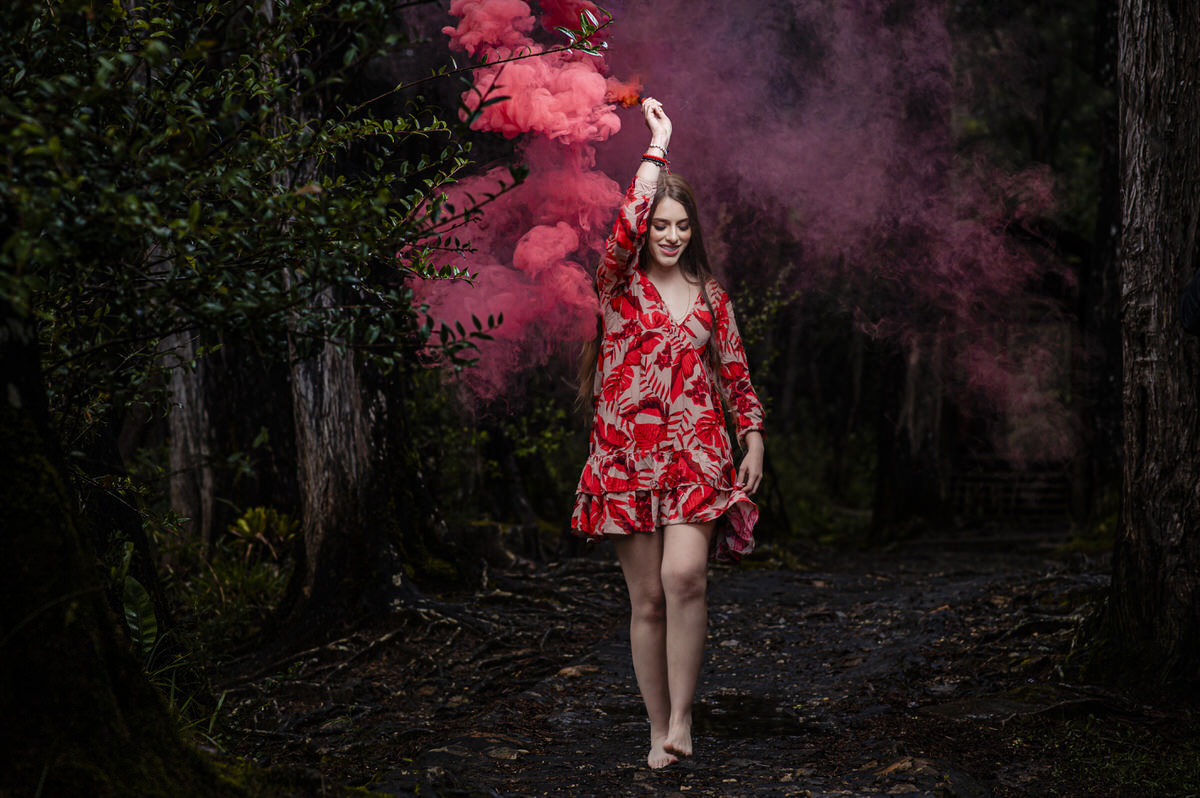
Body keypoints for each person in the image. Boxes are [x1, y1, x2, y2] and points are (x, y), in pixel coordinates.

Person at [571, 97, 766, 769]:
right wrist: (658, 146)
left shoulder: (712, 295)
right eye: (662, 224)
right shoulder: (615, 284)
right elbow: (623, 227)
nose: (671, 235)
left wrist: (755, 438)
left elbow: (736, 375)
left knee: (685, 577)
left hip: (697, 458)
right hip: (625, 459)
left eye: (682, 226)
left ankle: (684, 718)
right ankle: (658, 730)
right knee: (647, 598)